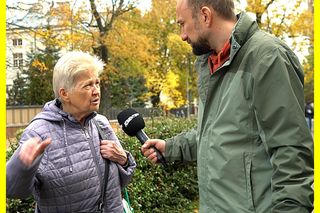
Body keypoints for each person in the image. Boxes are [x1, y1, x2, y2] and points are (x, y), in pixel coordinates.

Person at [141, 0, 314, 212]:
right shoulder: (211, 63)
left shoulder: (267, 57)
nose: (182, 35)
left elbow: (291, 155)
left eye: (182, 24)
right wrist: (171, 148)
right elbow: (220, 134)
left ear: (205, 16)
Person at [6, 51, 137, 212]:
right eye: (88, 85)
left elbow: (120, 183)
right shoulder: (38, 133)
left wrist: (124, 160)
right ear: (64, 94)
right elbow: (14, 192)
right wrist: (22, 166)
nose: (96, 91)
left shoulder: (100, 123)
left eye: (97, 83)